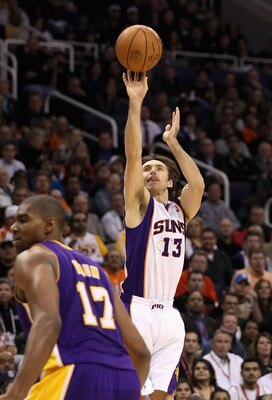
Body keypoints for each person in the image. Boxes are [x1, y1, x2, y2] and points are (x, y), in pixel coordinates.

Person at [0, 194, 150, 400]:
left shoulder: (33, 257)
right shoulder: (98, 270)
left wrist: (15, 393)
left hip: (72, 374)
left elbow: (49, 322)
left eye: (23, 219)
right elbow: (141, 353)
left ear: (49, 225)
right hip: (124, 379)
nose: (14, 227)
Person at [121, 70, 204, 400]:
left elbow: (197, 185)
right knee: (132, 391)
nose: (150, 171)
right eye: (147, 169)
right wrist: (135, 103)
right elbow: (132, 156)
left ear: (171, 181)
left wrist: (173, 143)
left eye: (157, 168)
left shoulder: (181, 210)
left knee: (161, 395)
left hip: (170, 313)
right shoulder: (139, 206)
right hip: (136, 308)